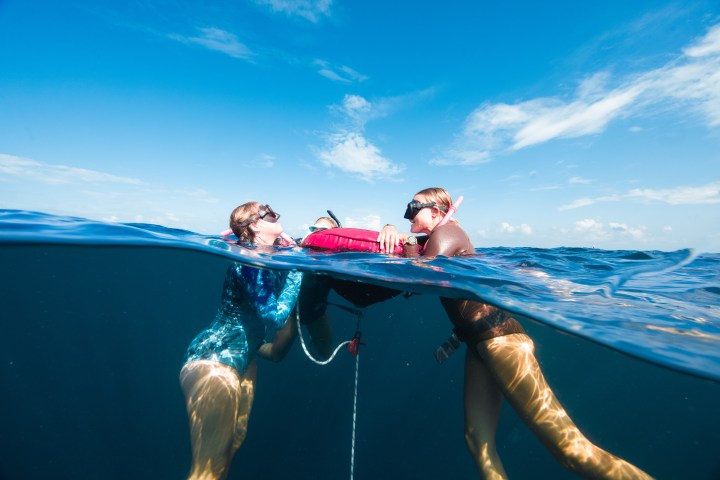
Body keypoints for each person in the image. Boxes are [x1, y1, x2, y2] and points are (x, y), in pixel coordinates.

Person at [385, 188, 653, 480]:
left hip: (500, 340)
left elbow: (419, 277)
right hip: (479, 343)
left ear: (436, 212)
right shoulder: (440, 235)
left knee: (571, 451)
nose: (407, 215)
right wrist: (400, 235)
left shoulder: (446, 232)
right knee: (477, 442)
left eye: (413, 208)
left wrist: (408, 241)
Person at [180, 201, 303, 480]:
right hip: (214, 362)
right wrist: (298, 271)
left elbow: (226, 237)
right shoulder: (250, 263)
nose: (278, 215)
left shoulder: (263, 254)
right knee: (207, 468)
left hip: (241, 360)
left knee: (233, 443)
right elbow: (274, 317)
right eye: (270, 214)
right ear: (256, 225)